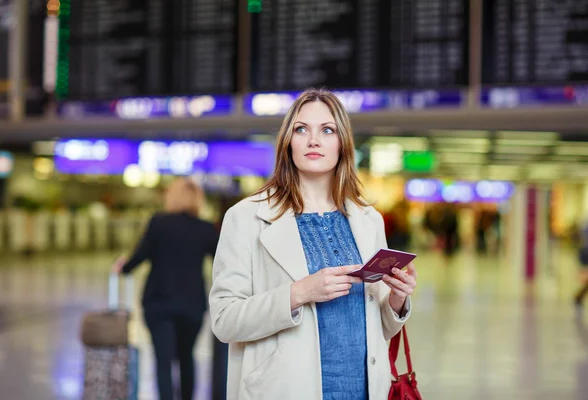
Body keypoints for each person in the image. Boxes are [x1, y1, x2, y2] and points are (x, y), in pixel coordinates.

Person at [209, 88, 418, 400]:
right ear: (288, 143)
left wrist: (397, 300)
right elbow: (224, 321)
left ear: (342, 145)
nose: (314, 140)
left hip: (362, 389)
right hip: (285, 389)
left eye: (328, 130)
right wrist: (299, 293)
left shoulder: (367, 220)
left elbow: (380, 329)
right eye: (301, 129)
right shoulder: (246, 218)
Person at [112, 178, 219, 400]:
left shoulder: (158, 223)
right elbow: (224, 263)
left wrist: (124, 267)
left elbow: (140, 255)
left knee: (163, 360)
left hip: (158, 303)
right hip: (192, 304)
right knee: (187, 357)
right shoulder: (206, 228)